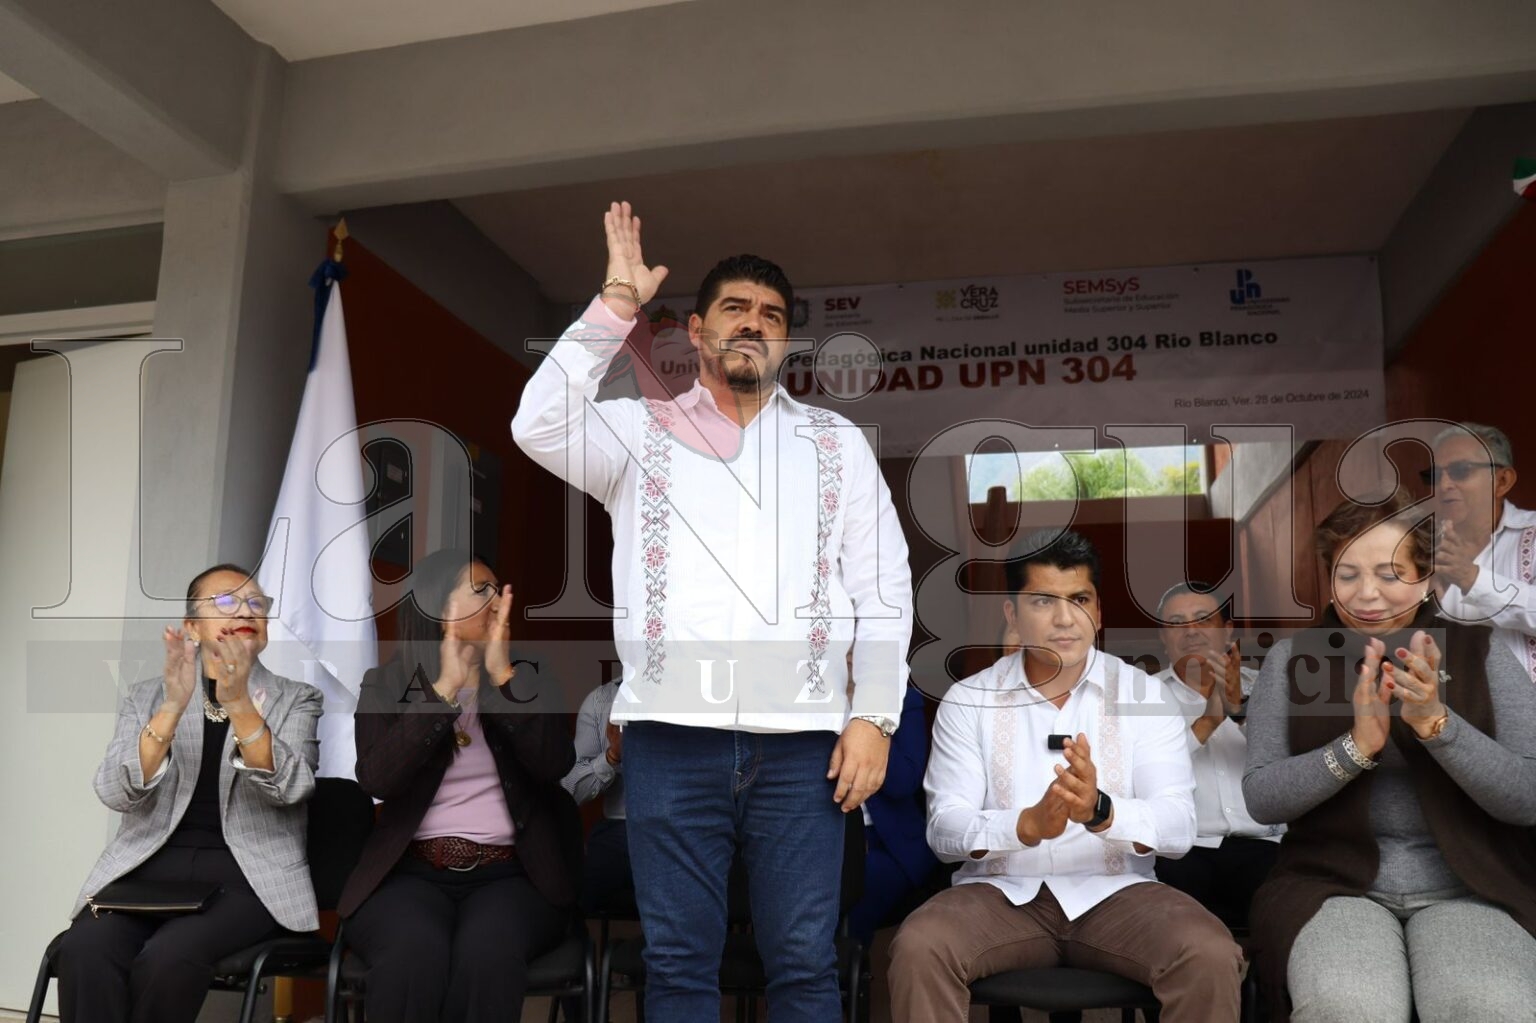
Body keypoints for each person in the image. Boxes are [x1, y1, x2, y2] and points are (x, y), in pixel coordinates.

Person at [512, 202, 913, 1021]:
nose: (753, 324)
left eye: (771, 315)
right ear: (696, 330)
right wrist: (614, 306)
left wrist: (873, 715)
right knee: (678, 965)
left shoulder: (836, 445)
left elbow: (884, 592)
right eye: (736, 307)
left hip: (806, 751)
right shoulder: (637, 434)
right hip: (669, 740)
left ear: (786, 342)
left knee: (804, 963)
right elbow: (536, 423)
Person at [889, 530, 1242, 1022]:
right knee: (921, 946)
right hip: (999, 895)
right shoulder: (969, 700)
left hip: (1118, 893)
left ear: (1098, 611)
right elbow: (945, 830)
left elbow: (1178, 827)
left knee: (1208, 954)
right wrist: (1025, 827)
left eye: (1079, 599)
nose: (1064, 618)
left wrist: (1101, 812)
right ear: (1011, 614)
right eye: (1042, 601)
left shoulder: (1144, 697)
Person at [1243, 490, 1536, 1022]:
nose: (1367, 594)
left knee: (1491, 1006)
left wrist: (1438, 727)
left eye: (1389, 572)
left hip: (1471, 886)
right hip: (1331, 886)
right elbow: (1261, 797)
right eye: (1347, 574)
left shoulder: (1482, 650)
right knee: (1348, 1007)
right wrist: (1354, 748)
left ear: (1424, 577)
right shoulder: (1292, 660)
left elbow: (1529, 798)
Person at [58, 564, 322, 1023]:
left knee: (170, 956)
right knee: (84, 948)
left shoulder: (295, 698)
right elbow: (114, 791)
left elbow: (292, 788)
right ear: (192, 628)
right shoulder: (148, 696)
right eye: (226, 602)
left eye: (256, 603)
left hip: (247, 878)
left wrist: (238, 702)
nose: (246, 610)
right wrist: (171, 709)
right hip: (147, 870)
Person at [338, 550, 578, 1023]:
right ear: (436, 607)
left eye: (498, 588)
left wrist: (503, 678)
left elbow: (554, 764)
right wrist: (444, 691)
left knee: (487, 956)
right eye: (480, 590)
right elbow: (377, 779)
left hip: (511, 877)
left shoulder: (526, 676)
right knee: (411, 956)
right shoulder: (385, 684)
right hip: (409, 875)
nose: (496, 600)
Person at [1152, 582, 1281, 928]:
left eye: (1202, 619)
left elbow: (1292, 763)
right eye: (1177, 623)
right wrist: (1209, 722)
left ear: (1227, 631)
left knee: (1289, 912)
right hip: (1181, 852)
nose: (1191, 631)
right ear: (1163, 638)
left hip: (1266, 846)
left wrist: (1238, 712)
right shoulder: (1145, 696)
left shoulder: (1270, 686)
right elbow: (1143, 772)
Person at [1428, 422, 1536, 681]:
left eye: (1460, 471)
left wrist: (1471, 579)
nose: (1444, 485)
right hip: (1451, 713)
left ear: (1502, 481)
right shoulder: (1419, 547)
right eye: (1434, 475)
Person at [846, 680, 939, 947]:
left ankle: (841, 972)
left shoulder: (904, 698)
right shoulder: (808, 696)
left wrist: (870, 719)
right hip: (818, 837)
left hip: (886, 843)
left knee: (866, 884)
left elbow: (903, 782)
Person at [561, 677, 635, 916]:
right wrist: (612, 757)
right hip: (621, 831)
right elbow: (569, 791)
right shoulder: (602, 700)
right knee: (564, 892)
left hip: (685, 828)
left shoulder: (703, 694)